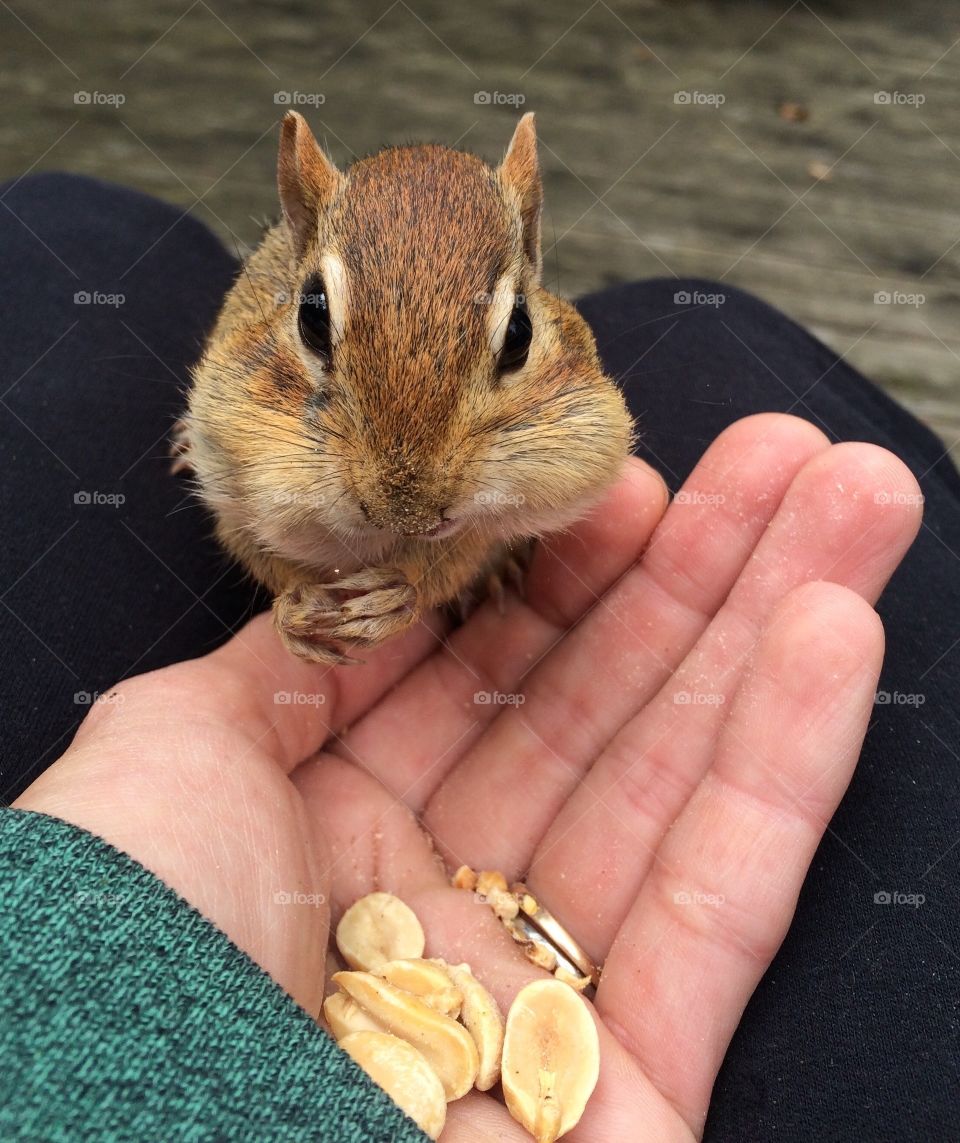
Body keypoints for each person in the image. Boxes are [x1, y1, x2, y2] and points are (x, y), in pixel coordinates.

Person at [0, 171, 956, 1142]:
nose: (412, 488)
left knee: (69, 219)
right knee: (711, 328)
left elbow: (575, 465)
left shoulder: (546, 378)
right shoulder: (261, 377)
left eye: (509, 340)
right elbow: (246, 509)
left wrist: (101, 969)